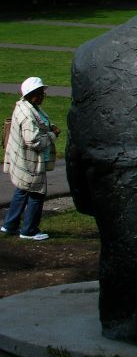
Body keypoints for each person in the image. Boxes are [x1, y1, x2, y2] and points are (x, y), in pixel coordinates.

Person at [2, 77, 60, 241]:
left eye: (43, 93)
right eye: (40, 93)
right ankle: (29, 230)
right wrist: (52, 134)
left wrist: (48, 126)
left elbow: (39, 123)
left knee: (22, 190)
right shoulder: (28, 115)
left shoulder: (24, 106)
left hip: (22, 160)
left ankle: (9, 225)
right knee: (36, 193)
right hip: (31, 162)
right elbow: (34, 142)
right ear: (31, 94)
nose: (43, 96)